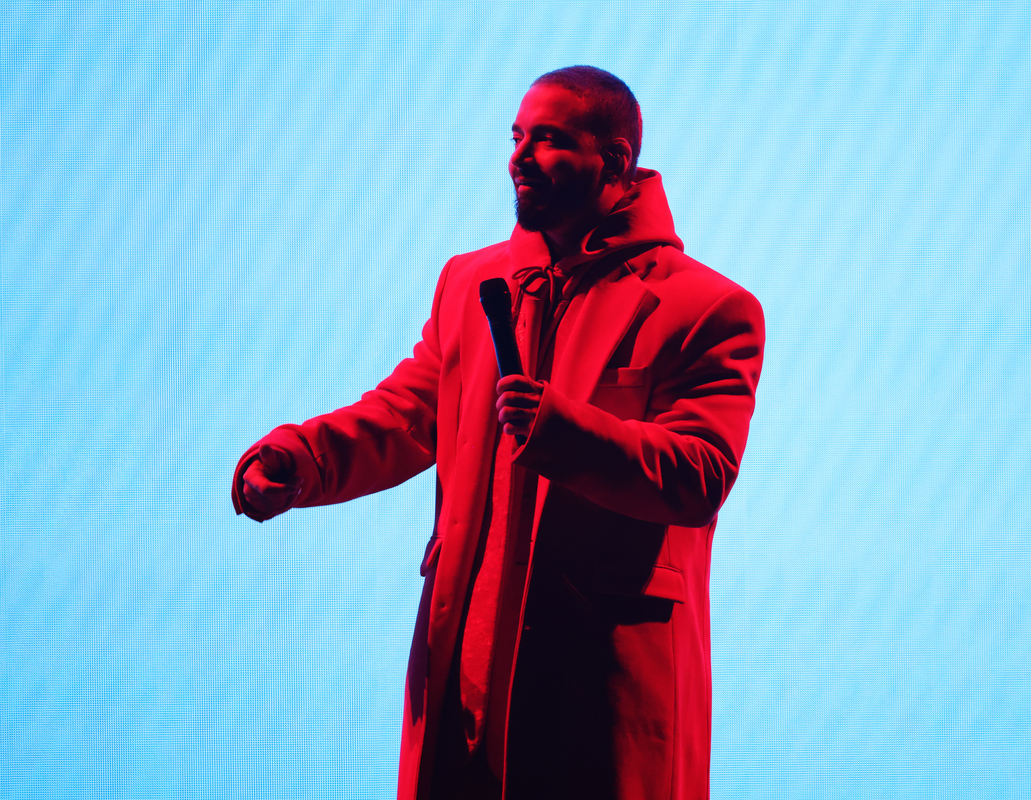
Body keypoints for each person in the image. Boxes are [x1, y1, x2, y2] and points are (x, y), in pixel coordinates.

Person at [232, 65, 764, 800]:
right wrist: (299, 458)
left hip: (595, 682)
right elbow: (408, 411)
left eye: (548, 140)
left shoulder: (706, 307)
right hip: (462, 676)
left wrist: (563, 430)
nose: (519, 156)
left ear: (614, 159)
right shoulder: (473, 283)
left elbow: (699, 473)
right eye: (517, 137)